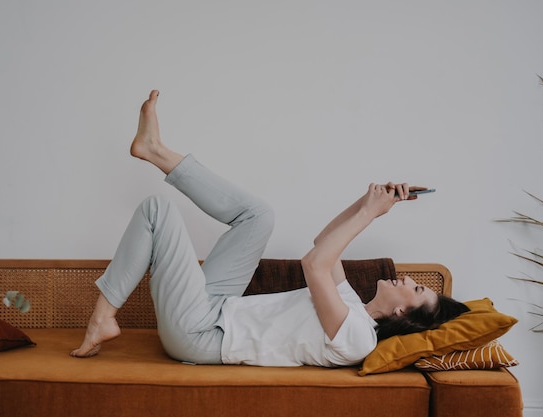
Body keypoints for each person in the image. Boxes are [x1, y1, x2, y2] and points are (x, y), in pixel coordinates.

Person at [71, 90, 469, 366]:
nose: (409, 279)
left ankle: (102, 318)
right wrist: (373, 201)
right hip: (215, 310)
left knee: (157, 210)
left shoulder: (358, 339)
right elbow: (321, 243)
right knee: (259, 215)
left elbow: (314, 264)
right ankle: (155, 150)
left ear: (401, 311)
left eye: (416, 289)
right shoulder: (350, 307)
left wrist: (371, 214)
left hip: (200, 334)